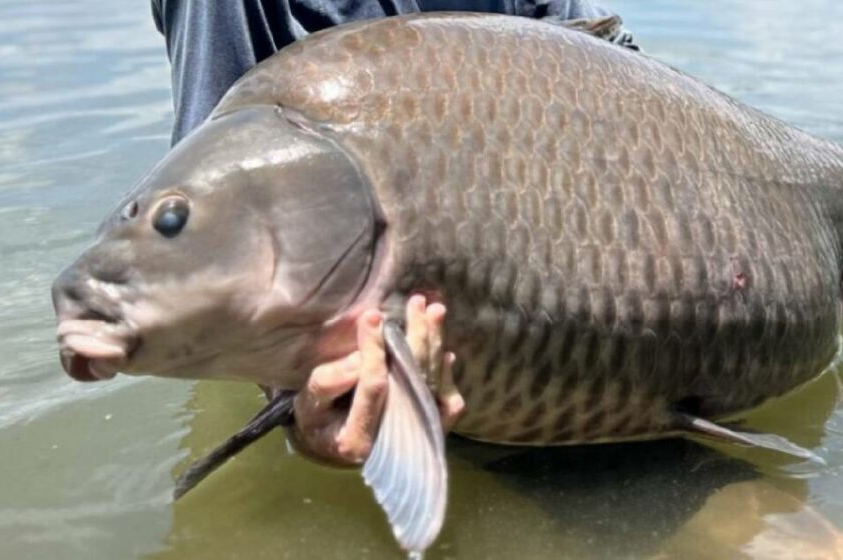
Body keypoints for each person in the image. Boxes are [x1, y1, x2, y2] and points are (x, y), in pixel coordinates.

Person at [150, 0, 633, 467]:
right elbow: (212, 230)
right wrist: (301, 398)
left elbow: (623, 75)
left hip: (600, 330)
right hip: (424, 371)